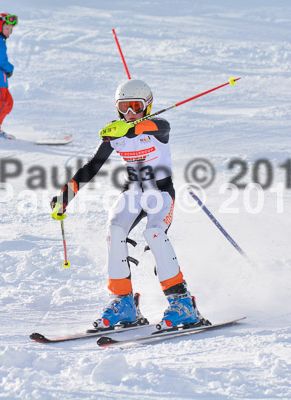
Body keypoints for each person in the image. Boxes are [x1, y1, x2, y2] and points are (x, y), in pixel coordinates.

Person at [50, 79, 207, 331]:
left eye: (136, 106)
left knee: (154, 233)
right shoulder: (116, 134)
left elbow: (158, 126)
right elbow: (91, 166)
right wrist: (66, 195)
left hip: (160, 194)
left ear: (148, 105)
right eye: (124, 107)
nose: (130, 113)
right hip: (132, 193)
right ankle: (123, 302)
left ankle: (183, 302)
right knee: (114, 230)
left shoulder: (158, 128)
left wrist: (130, 129)